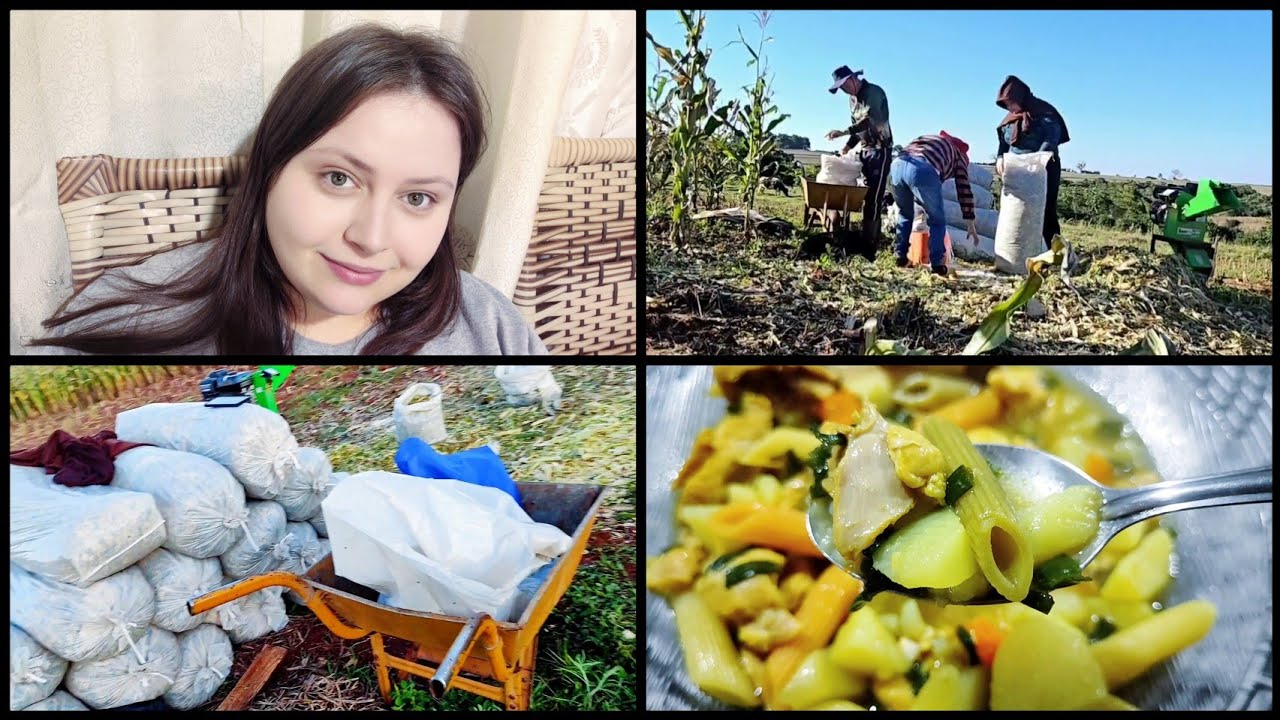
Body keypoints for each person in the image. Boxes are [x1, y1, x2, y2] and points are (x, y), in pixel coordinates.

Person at [30, 23, 547, 355]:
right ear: (272, 168)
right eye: (339, 179)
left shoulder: (489, 325)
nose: (370, 238)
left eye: (418, 198)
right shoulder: (131, 321)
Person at [888, 132, 979, 276]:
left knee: (905, 214)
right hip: (922, 169)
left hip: (897, 165)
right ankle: (937, 264)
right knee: (937, 220)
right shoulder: (959, 155)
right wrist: (970, 220)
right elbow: (963, 189)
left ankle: (900, 256)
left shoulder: (931, 141)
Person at [824, 65, 892, 259]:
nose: (844, 91)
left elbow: (870, 120)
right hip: (864, 151)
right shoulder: (852, 101)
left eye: (844, 86)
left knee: (874, 199)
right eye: (840, 88)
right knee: (861, 197)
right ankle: (855, 241)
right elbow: (858, 130)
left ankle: (871, 247)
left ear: (853, 78)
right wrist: (847, 145)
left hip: (880, 151)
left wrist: (843, 132)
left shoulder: (874, 93)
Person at [994, 75, 1070, 247]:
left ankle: (1052, 249)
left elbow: (1051, 138)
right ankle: (1020, 249)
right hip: (1016, 170)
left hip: (1044, 169)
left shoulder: (1044, 112)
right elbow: (1003, 142)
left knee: (1045, 210)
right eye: (1006, 104)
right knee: (1017, 210)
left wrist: (1036, 161)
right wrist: (1000, 158)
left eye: (1011, 102)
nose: (1009, 107)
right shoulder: (1010, 118)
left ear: (1020, 96)